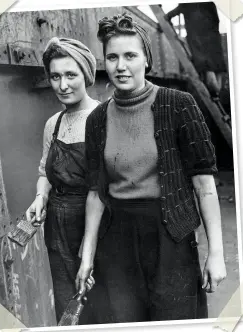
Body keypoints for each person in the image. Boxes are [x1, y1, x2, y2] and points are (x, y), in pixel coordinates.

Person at [75, 13, 227, 323]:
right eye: (112, 57)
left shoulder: (179, 105)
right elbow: (95, 193)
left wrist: (217, 253)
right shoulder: (97, 120)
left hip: (170, 236)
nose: (121, 65)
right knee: (123, 321)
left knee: (175, 320)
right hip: (117, 242)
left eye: (130, 55)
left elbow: (205, 186)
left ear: (146, 59)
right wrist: (87, 255)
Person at [25, 37, 99, 324]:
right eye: (55, 76)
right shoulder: (52, 123)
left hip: (96, 225)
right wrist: (41, 197)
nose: (62, 85)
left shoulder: (102, 117)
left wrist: (89, 247)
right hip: (57, 227)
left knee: (98, 303)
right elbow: (45, 170)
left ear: (86, 75)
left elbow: (106, 188)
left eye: (71, 75)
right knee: (67, 308)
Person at [164, 2, 226, 96]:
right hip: (213, 41)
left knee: (210, 77)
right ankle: (215, 93)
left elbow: (169, 15)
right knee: (215, 74)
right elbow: (216, 20)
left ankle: (213, 92)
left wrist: (167, 18)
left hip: (200, 44)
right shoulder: (209, 4)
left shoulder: (187, 5)